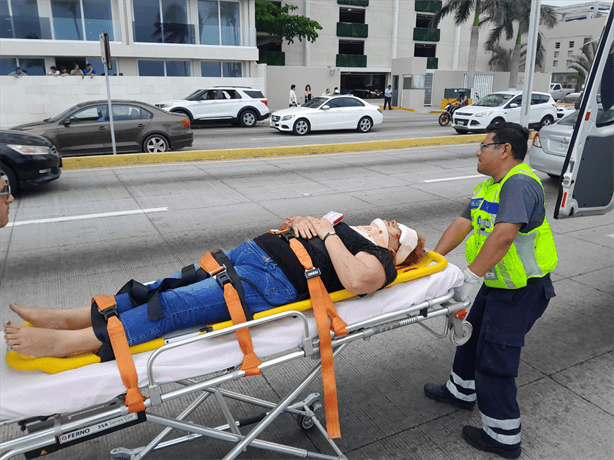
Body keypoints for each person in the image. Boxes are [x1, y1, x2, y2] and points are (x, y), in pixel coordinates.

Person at [4, 216, 426, 359]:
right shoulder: (350, 231)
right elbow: (307, 232)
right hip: (251, 257)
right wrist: (303, 220)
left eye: (393, 230)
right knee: (155, 288)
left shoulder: (382, 262)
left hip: (270, 282)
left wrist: (328, 232)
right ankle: (72, 317)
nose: (384, 225)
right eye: (388, 221)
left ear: (399, 251)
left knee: (169, 305)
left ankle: (71, 342)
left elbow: (354, 280)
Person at [423, 121, 557, 460]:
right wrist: (433, 261)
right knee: (469, 338)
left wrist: (468, 280)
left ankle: (503, 436)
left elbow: (504, 236)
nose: (478, 151)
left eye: (484, 145)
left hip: (522, 292)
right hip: (498, 285)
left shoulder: (520, 185)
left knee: (494, 359)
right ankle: (460, 392)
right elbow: (462, 224)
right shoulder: (489, 187)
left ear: (505, 150)